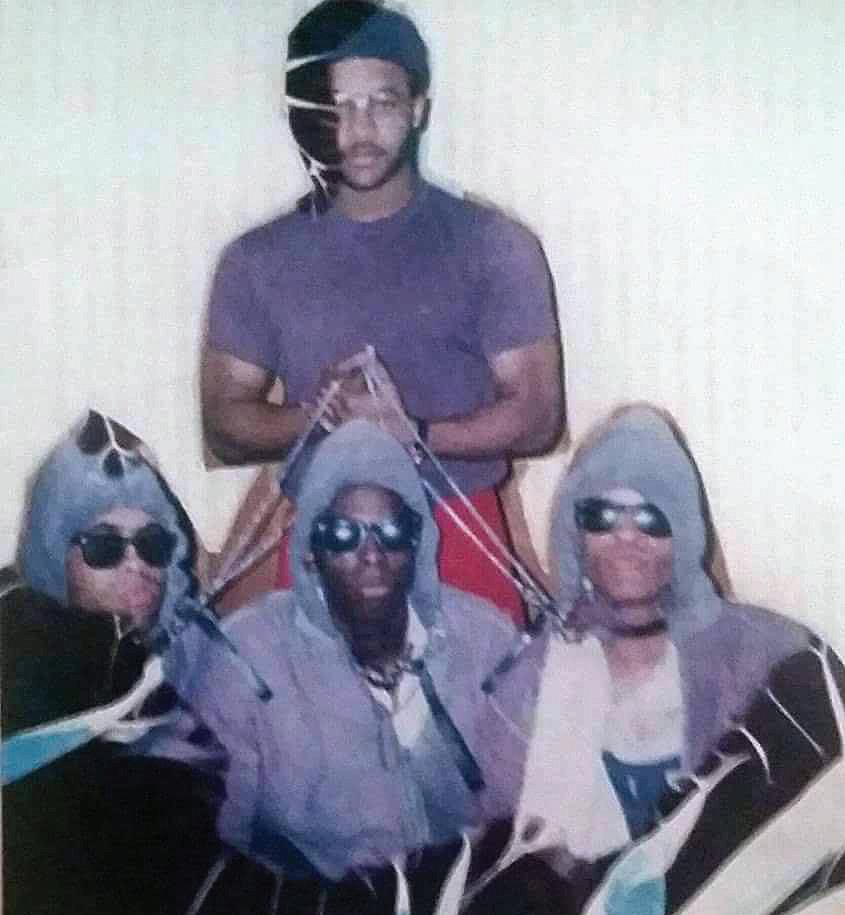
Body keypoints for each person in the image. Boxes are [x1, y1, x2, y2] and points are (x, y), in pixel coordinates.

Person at [200, 0, 564, 620]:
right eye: (335, 107)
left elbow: (538, 418)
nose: (358, 130)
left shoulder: (493, 244)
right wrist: (318, 418)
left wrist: (414, 430)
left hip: (459, 532)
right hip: (323, 538)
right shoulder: (255, 260)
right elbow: (223, 427)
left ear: (419, 107)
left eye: (382, 102)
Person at [466, 404, 845, 914]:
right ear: (575, 533)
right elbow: (503, 858)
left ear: (683, 533)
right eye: (602, 516)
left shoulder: (768, 655)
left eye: (651, 517)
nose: (627, 538)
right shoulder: (526, 687)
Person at [156, 420, 534, 913]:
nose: (371, 554)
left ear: (417, 542)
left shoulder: (486, 640)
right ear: (310, 550)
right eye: (342, 534)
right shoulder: (247, 657)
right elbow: (221, 847)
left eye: (391, 532)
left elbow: (528, 813)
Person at [1, 410, 223, 915]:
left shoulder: (176, 666)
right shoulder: (24, 645)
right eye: (104, 546)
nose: (136, 564)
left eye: (153, 544)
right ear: (55, 552)